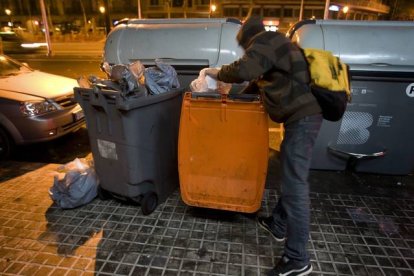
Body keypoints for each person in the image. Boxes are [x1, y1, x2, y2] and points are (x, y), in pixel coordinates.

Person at [205, 15, 322, 276]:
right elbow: (254, 84)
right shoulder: (276, 46)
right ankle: (278, 224)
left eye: (244, 47)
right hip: (302, 117)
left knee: (295, 185)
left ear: (248, 39)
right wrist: (226, 103)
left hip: (303, 117)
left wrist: (217, 73)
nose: (246, 51)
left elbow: (244, 70)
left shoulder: (265, 40)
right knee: (291, 175)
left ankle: (297, 259)